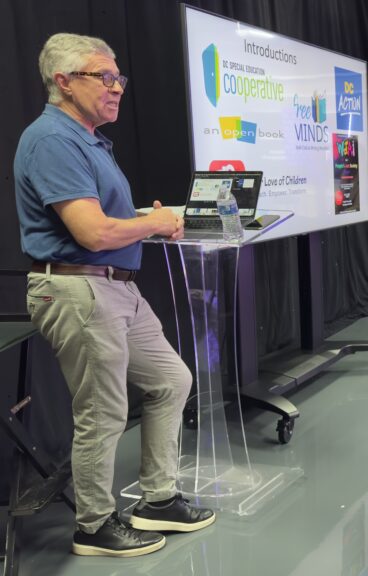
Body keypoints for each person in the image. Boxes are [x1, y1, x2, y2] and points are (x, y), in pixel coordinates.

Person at [14, 33, 214, 558]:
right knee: (102, 411)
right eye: (103, 77)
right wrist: (151, 222)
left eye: (118, 78)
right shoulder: (53, 139)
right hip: (78, 287)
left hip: (115, 288)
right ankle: (94, 525)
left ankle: (159, 499)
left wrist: (146, 221)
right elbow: (94, 234)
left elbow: (109, 226)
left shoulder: (89, 139)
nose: (116, 88)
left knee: (172, 378)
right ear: (63, 82)